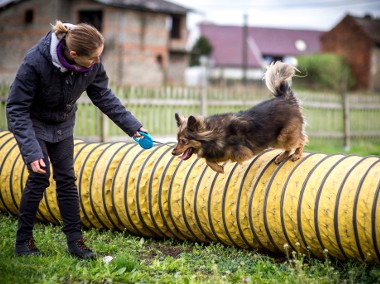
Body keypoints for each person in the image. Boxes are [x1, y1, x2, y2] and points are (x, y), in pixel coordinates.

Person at [6, 20, 148, 259]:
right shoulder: (35, 62)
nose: (97, 62)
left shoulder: (92, 65)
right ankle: (23, 241)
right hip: (34, 123)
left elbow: (103, 95)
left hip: (62, 124)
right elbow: (16, 107)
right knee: (40, 177)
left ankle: (75, 242)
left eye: (99, 57)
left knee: (66, 180)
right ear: (73, 54)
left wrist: (133, 128)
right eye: (92, 58)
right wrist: (31, 152)